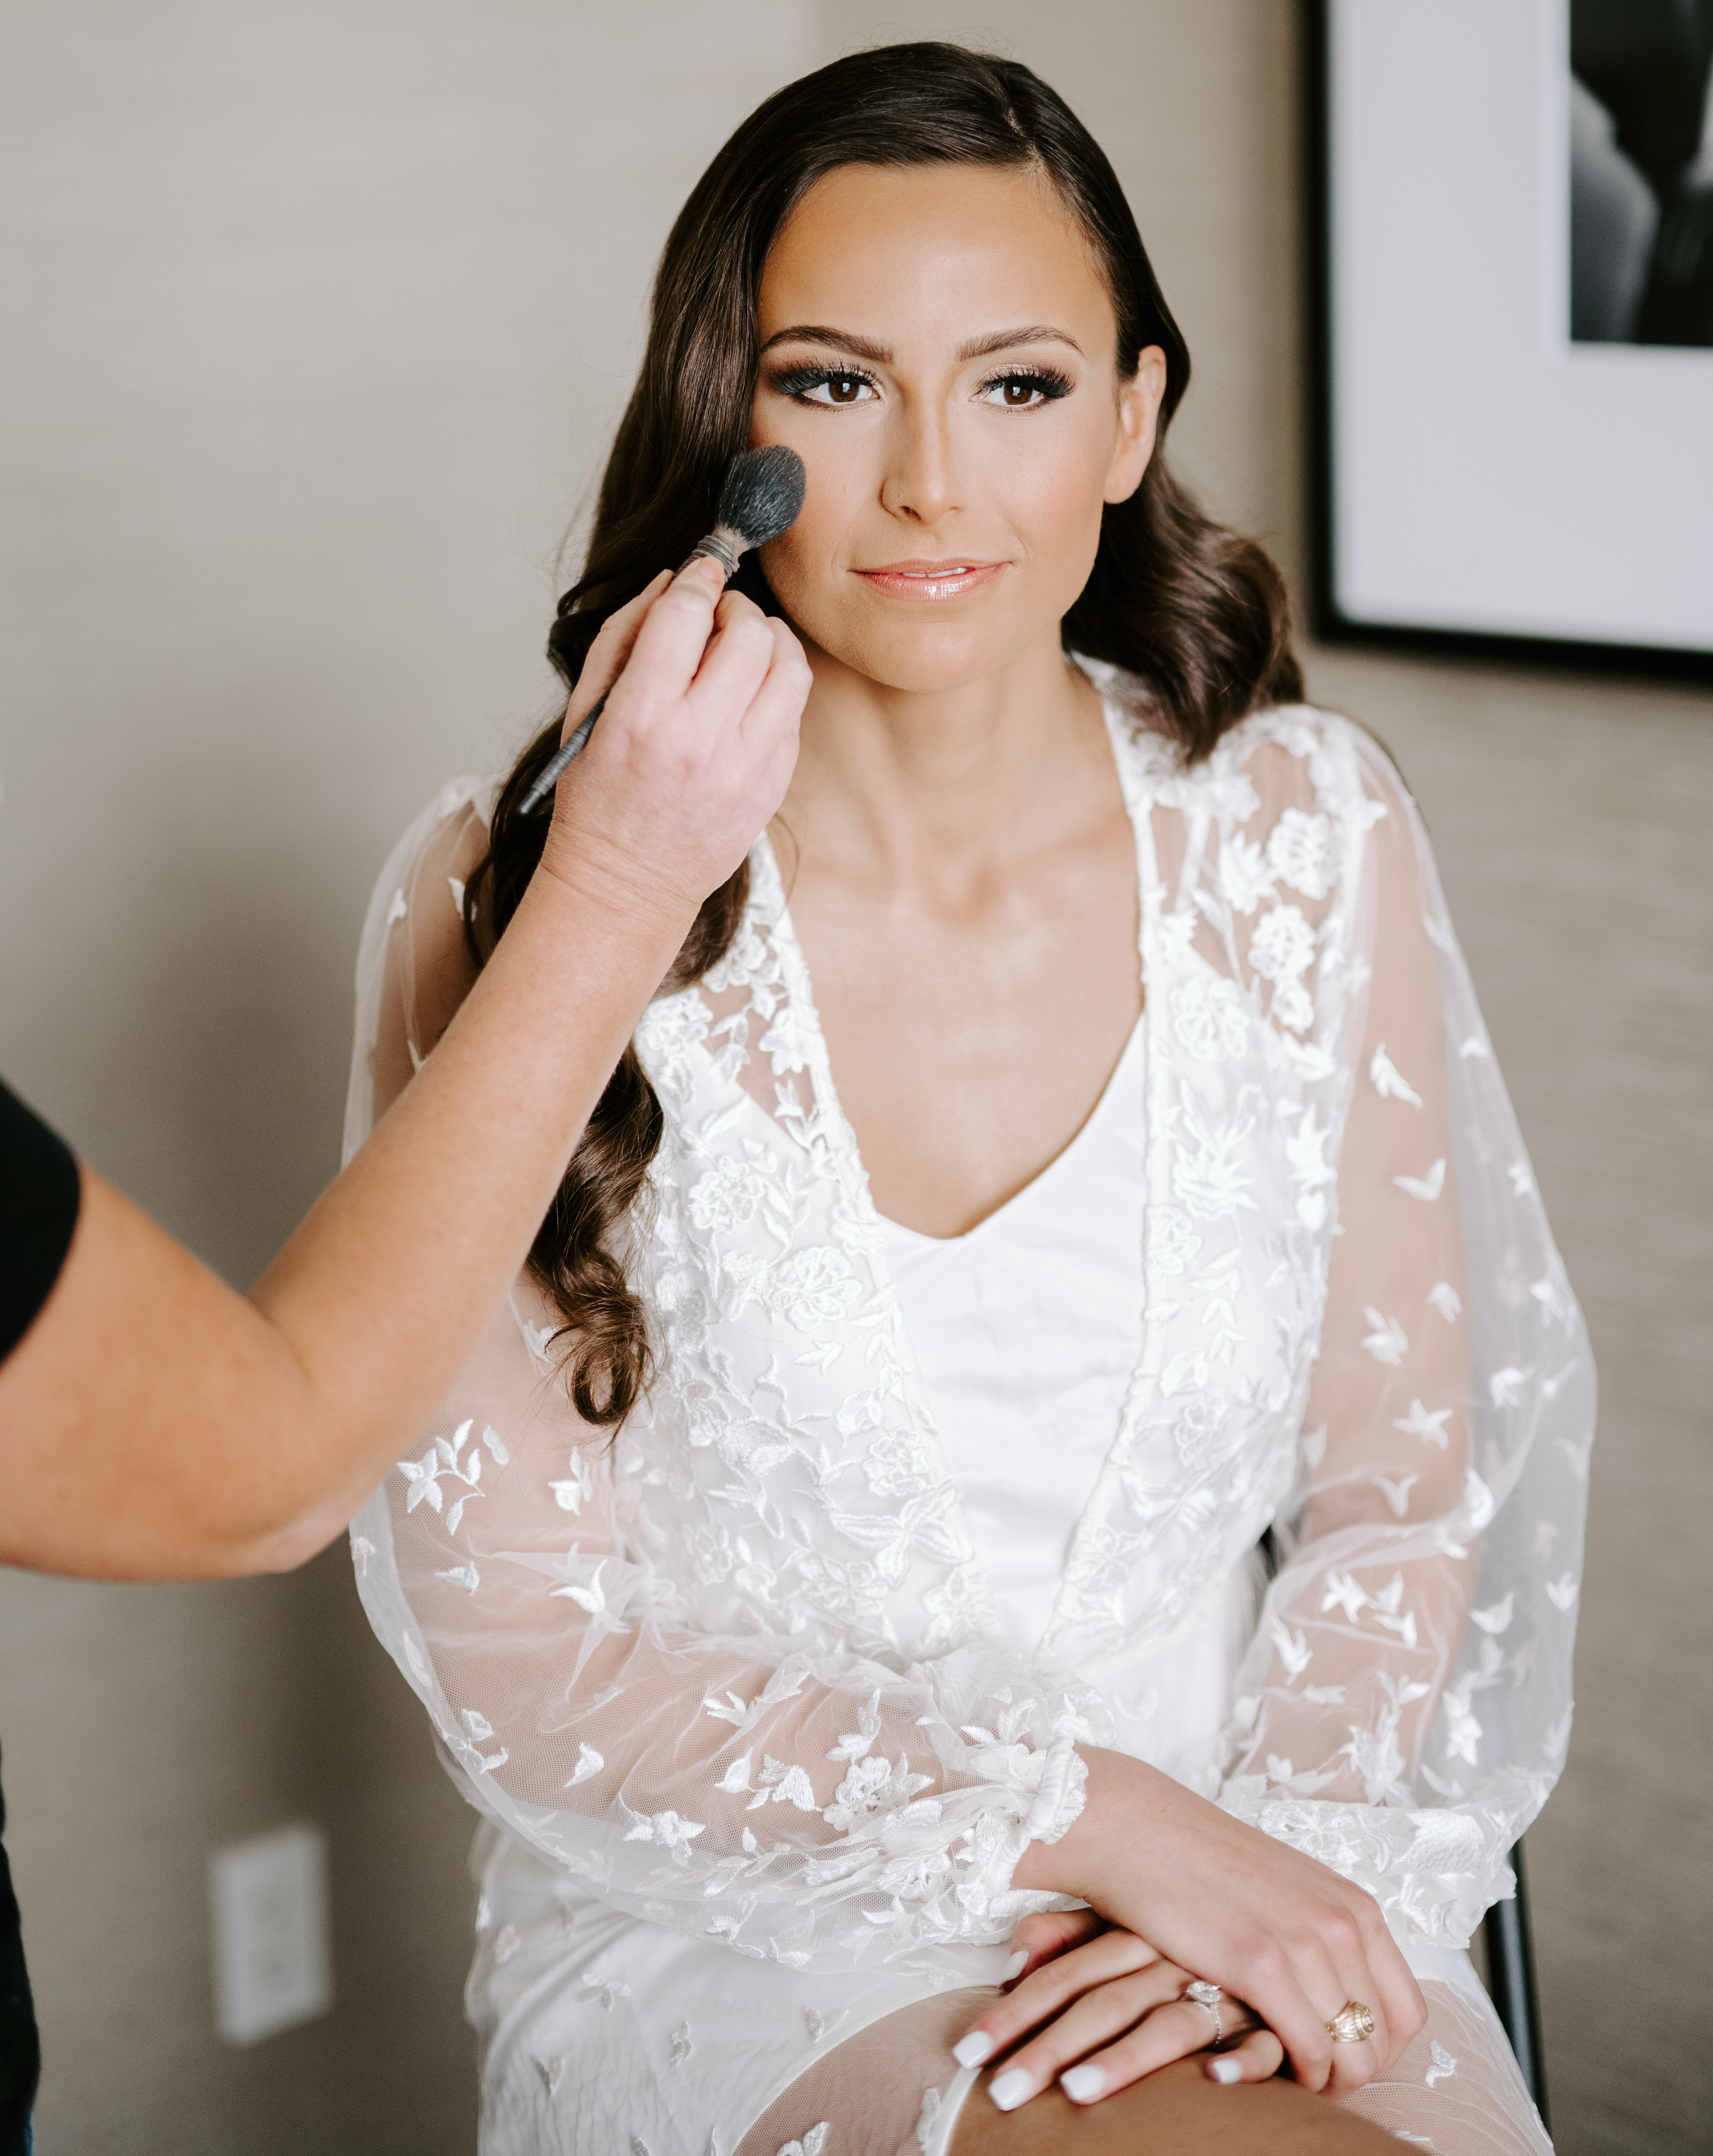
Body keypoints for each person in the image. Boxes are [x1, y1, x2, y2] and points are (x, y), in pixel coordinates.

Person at [345, 44, 1592, 2156]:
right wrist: (1100, 1829)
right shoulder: (517, 893)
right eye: (832, 386)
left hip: (1266, 1852)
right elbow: (526, 1653)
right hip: (753, 1909)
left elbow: (1405, 1492)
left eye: (1015, 387)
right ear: (720, 429)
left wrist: (1248, 1870)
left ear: (1130, 419)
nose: (929, 478)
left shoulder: (1304, 834)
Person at [0, 563, 806, 2156]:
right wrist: (620, 884)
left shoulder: (1291, 822)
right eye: (838, 385)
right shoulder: (471, 886)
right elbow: (266, 1474)